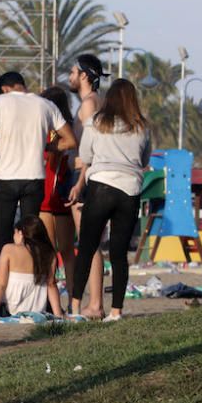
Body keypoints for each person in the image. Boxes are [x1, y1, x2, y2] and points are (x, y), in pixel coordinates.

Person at [69, 79, 151, 322]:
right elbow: (145, 158)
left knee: (86, 247)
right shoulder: (142, 126)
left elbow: (85, 156)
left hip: (101, 187)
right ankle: (116, 311)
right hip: (130, 190)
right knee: (118, 253)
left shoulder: (95, 122)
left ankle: (74, 307)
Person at [0, 71, 76, 253]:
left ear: (4, 88)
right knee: (31, 235)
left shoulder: (0, 102)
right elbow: (70, 141)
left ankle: (1, 278)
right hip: (34, 178)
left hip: (7, 177)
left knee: (3, 236)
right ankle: (31, 276)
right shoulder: (46, 105)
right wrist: (46, 146)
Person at [67, 54, 108, 317]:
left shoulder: (89, 105)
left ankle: (95, 304)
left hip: (85, 177)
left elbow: (91, 147)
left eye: (72, 72)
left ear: (84, 75)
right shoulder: (92, 103)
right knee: (89, 242)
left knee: (89, 243)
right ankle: (94, 303)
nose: (69, 77)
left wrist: (80, 182)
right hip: (86, 175)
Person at [37, 86, 77, 304]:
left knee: (52, 251)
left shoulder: (52, 131)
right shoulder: (69, 128)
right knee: (65, 251)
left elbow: (53, 157)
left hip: (50, 192)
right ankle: (71, 299)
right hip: (58, 193)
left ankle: (54, 300)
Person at [0, 215, 63, 317]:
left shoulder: (9, 250)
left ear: (20, 233)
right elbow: (51, 285)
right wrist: (59, 315)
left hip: (11, 311)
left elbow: (0, 284)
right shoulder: (49, 254)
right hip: (38, 311)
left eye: (14, 233)